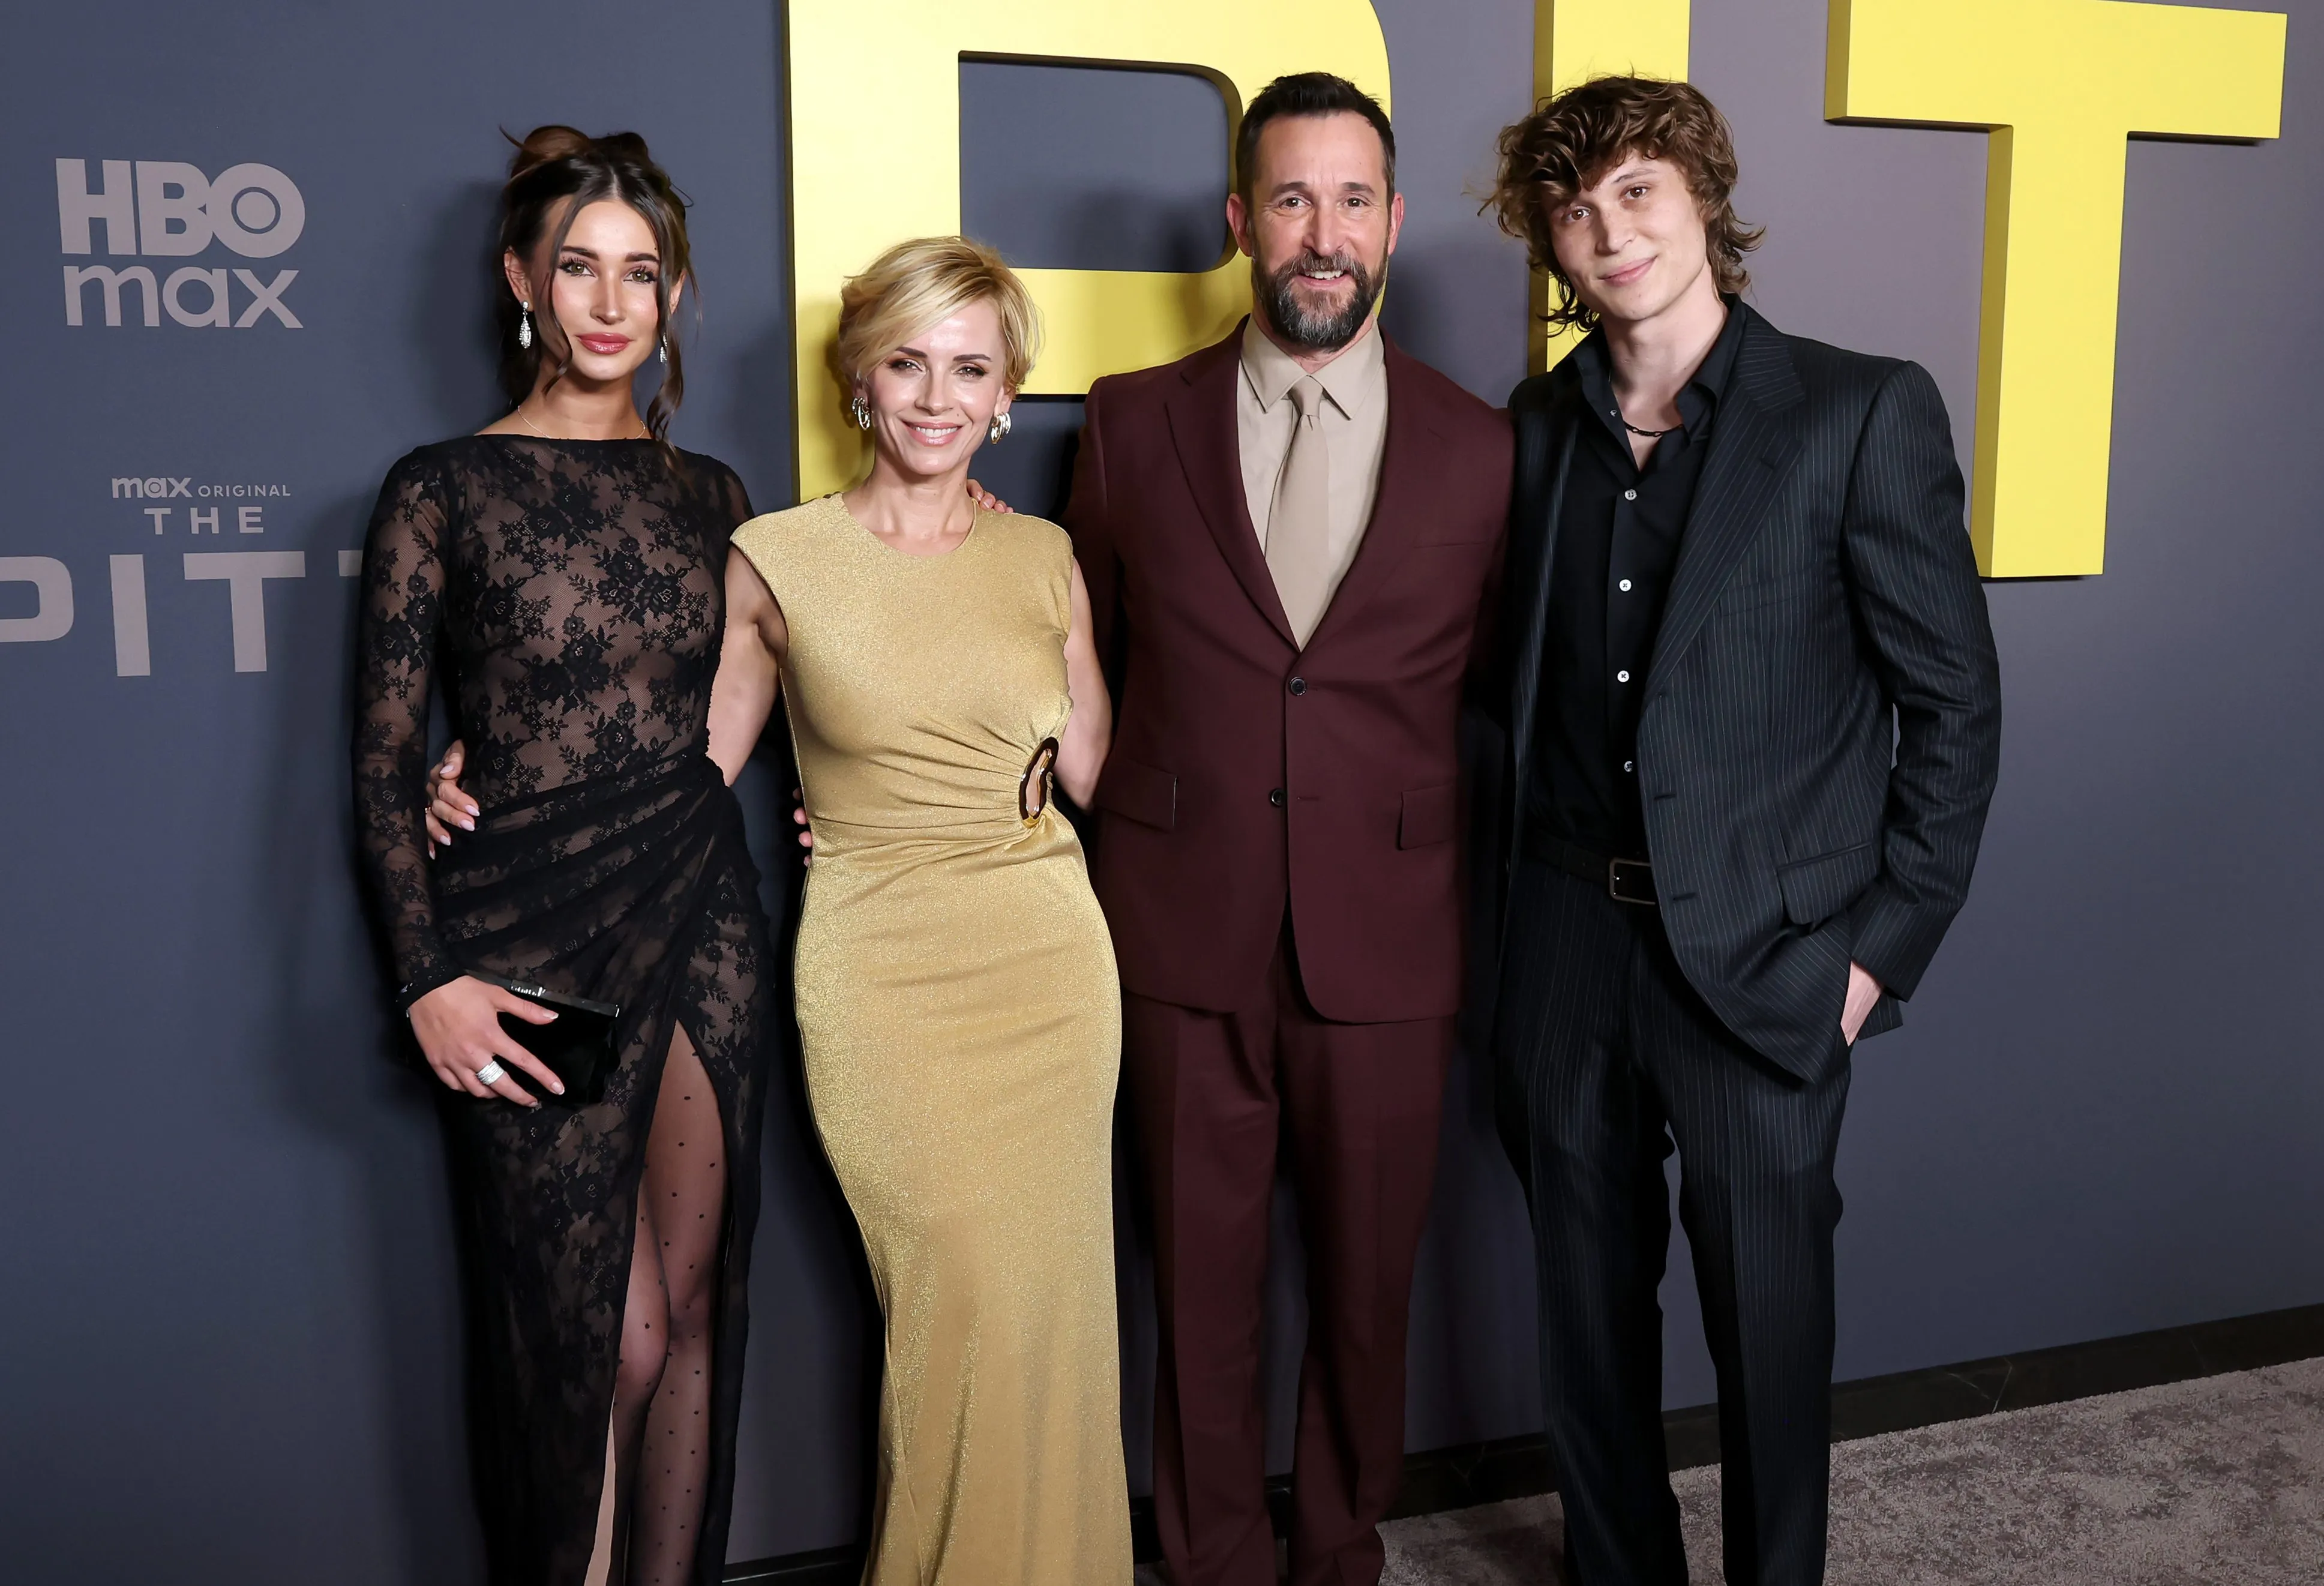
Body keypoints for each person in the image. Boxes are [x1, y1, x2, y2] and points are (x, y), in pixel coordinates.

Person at [1482, 77, 2003, 1586]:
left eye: (1637, 192)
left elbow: (1953, 708)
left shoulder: (1857, 408)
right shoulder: (1535, 429)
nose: (1608, 231)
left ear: (1702, 198)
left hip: (1772, 960)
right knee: (1584, 1323)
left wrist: (1873, 954)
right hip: (1567, 941)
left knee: (1769, 1323)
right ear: (1551, 244)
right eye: (1574, 211)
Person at [1066, 74, 1512, 1586]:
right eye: (1293, 199)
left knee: (1368, 1288)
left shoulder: (1483, 450)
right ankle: (1208, 1563)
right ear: (1239, 221)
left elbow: (1511, 694)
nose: (1323, 235)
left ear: (1390, 221)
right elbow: (1077, 668)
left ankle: (1335, 1551)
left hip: (1387, 939)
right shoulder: (1130, 428)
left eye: (1353, 200)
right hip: (1180, 929)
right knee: (1196, 1288)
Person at [353, 127, 777, 1586]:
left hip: (702, 912)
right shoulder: (441, 487)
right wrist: (427, 977)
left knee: (695, 1312)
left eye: (641, 273)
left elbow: (770, 685)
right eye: (580, 267)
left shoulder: (717, 496)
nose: (610, 300)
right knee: (602, 1333)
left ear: (672, 298)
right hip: (525, 933)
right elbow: (382, 760)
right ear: (522, 280)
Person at [723, 236, 1128, 1584]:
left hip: (1046, 960)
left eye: (971, 368)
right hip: (879, 971)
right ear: (859, 378)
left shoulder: (1048, 557)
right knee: (948, 1302)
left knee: (1049, 1312)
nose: (938, 397)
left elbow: (1097, 772)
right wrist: (476, 767)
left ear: (1009, 392)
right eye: (909, 363)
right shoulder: (772, 559)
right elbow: (686, 771)